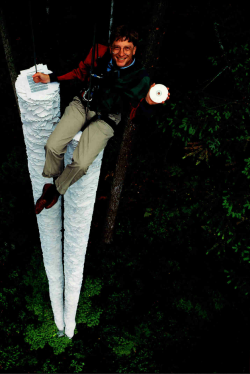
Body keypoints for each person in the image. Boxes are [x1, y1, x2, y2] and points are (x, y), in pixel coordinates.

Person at [33, 24, 170, 214]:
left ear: (134, 50)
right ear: (111, 46)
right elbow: (80, 72)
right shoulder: (98, 53)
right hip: (83, 103)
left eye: (127, 48)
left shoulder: (140, 77)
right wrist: (51, 78)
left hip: (108, 117)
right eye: (117, 47)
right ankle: (55, 178)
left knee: (81, 163)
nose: (121, 53)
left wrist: (147, 102)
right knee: (52, 146)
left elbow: (136, 116)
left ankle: (56, 190)